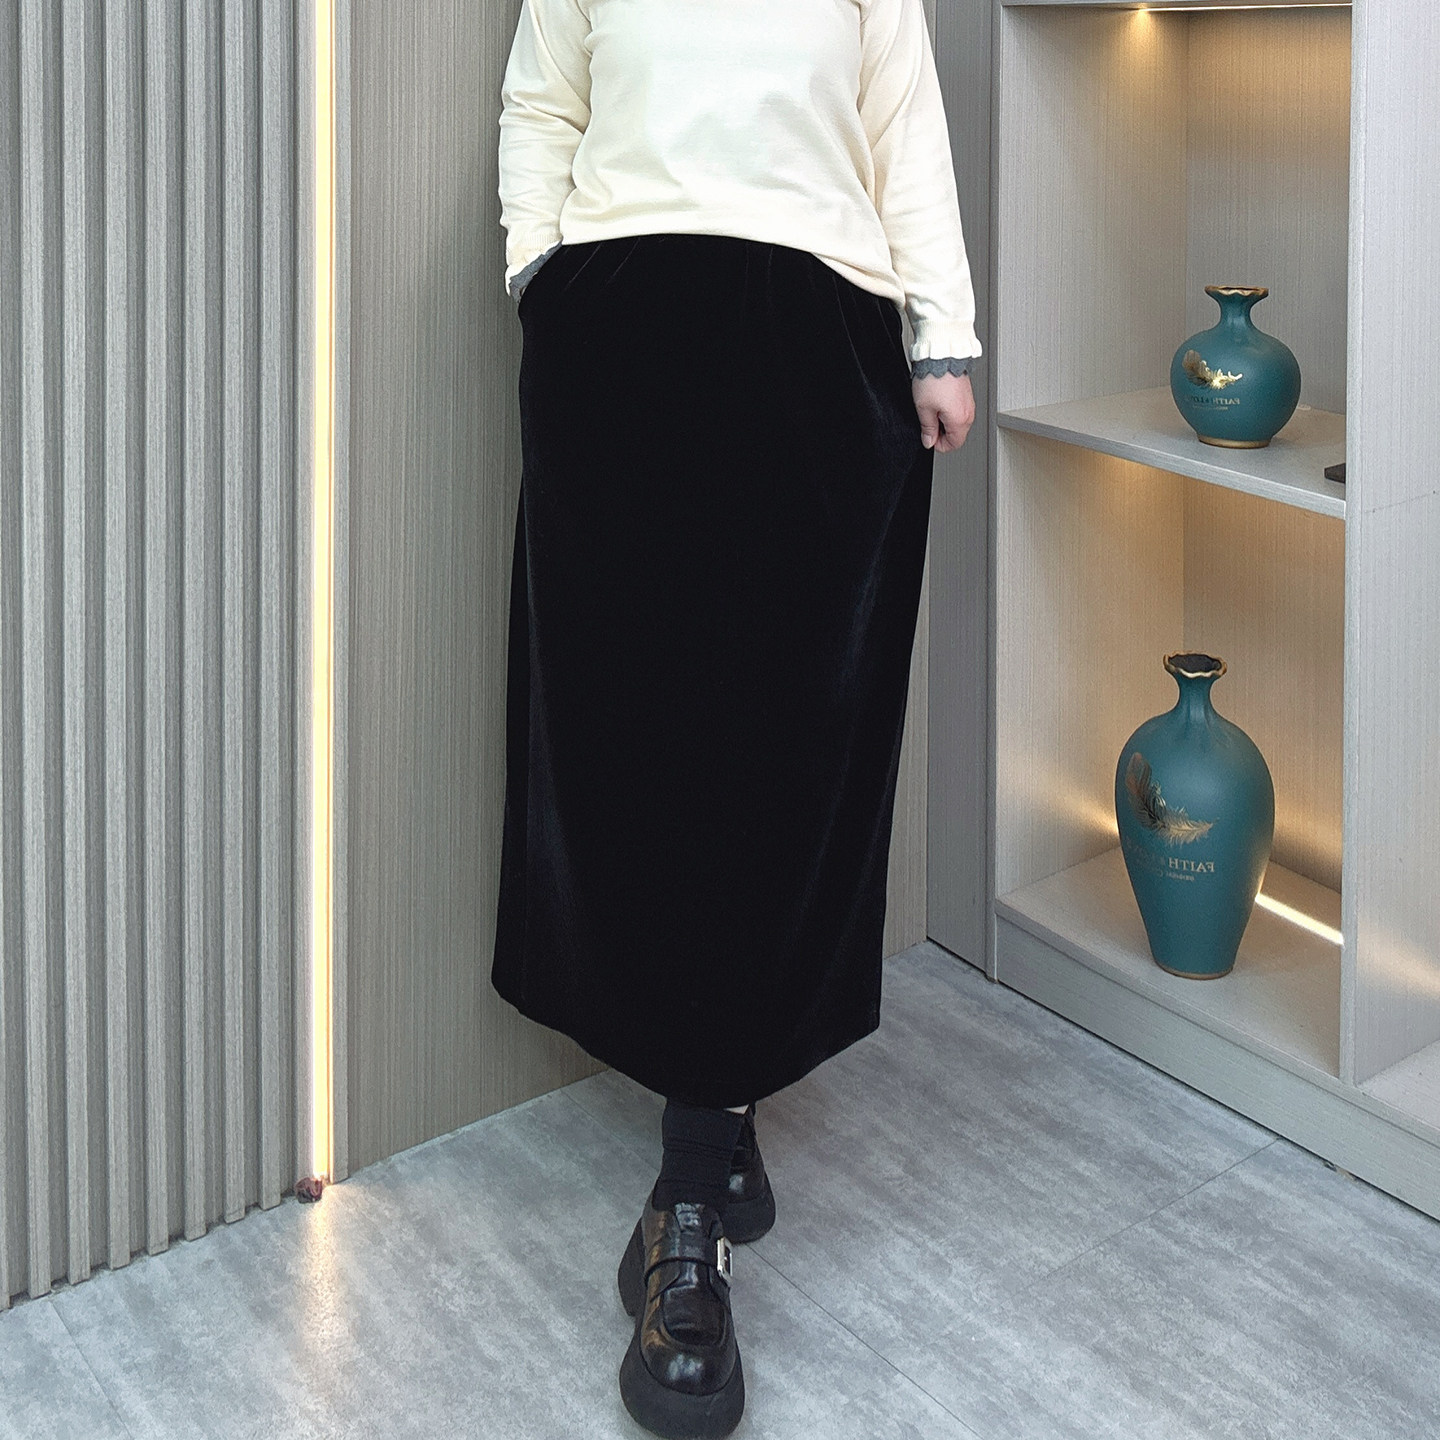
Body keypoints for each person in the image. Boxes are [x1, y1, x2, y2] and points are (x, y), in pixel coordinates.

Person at [491, 2, 981, 1435]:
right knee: (640, 751)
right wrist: (540, 273)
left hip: (818, 351)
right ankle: (697, 1176)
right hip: (622, 343)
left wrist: (941, 334)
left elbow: (904, 124)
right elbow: (541, 103)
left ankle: (703, 1150)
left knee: (784, 756)